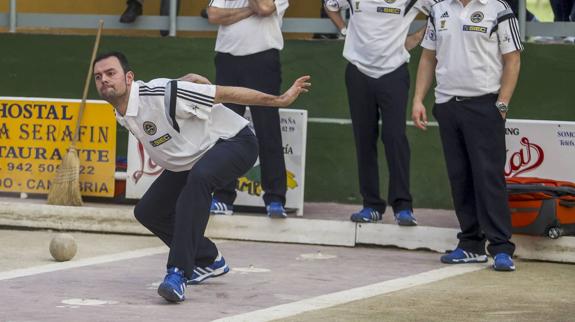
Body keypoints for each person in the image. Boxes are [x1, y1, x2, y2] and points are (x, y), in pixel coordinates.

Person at [92, 51, 310, 302]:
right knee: (148, 211)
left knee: (199, 180)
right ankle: (209, 259)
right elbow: (158, 96)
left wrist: (280, 100)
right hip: (190, 160)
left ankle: (177, 274)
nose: (104, 80)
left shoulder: (164, 94)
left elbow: (225, 93)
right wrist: (182, 80)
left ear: (129, 77)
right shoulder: (122, 111)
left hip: (234, 142)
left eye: (111, 73)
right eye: (98, 77)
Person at [411, 0, 522, 271]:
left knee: (488, 177)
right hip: (448, 104)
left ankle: (501, 247)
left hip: (485, 104)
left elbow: (513, 59)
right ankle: (471, 245)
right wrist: (418, 99)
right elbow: (428, 57)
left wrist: (502, 103)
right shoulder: (439, 10)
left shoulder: (498, 9)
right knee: (459, 177)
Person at [324, 0, 429, 226]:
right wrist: (344, 29)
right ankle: (371, 205)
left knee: (395, 138)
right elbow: (330, 5)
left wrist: (417, 37)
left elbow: (441, 14)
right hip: (358, 71)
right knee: (364, 138)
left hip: (394, 72)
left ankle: (403, 206)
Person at [207, 0, 291, 218]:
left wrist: (242, 12)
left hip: (262, 60)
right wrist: (249, 10)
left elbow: (264, 8)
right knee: (226, 131)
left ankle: (275, 198)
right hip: (227, 60)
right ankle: (223, 197)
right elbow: (214, 15)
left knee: (267, 129)